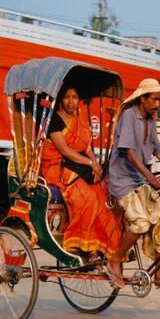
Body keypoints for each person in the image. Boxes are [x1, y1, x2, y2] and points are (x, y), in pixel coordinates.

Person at [107, 78, 160, 288]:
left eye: (159, 99)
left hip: (138, 180)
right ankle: (115, 259)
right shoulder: (129, 115)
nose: (157, 103)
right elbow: (129, 152)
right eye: (154, 99)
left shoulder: (150, 120)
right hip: (122, 181)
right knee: (141, 222)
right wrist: (151, 177)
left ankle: (159, 272)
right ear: (142, 98)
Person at [41, 84, 121, 264]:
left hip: (77, 167)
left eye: (74, 97)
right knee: (87, 198)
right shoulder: (54, 120)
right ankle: (82, 245)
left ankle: (103, 245)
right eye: (67, 97)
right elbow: (64, 150)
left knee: (103, 196)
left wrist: (97, 166)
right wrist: (90, 163)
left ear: (79, 101)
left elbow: (87, 148)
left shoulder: (81, 122)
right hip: (58, 168)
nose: (71, 101)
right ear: (61, 100)